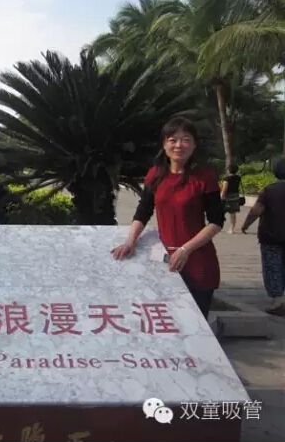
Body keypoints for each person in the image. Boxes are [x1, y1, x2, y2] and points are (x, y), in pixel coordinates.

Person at [111, 117, 225, 318]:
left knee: (195, 323)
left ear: (194, 144)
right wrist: (130, 241)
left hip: (197, 260)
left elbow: (216, 222)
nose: (179, 145)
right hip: (163, 261)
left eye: (186, 140)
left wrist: (185, 249)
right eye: (173, 140)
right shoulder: (156, 174)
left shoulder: (204, 176)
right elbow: (143, 212)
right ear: (164, 144)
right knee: (165, 321)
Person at [240, 158, 285, 316]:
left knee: (273, 267)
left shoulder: (270, 191)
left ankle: (278, 299)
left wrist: (245, 225)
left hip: (271, 236)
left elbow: (256, 211)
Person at [221, 164, 242, 234]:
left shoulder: (227, 178)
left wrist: (221, 196)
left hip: (227, 197)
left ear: (228, 170)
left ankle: (217, 226)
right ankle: (232, 228)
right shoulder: (238, 178)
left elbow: (224, 189)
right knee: (233, 213)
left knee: (220, 212)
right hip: (235, 196)